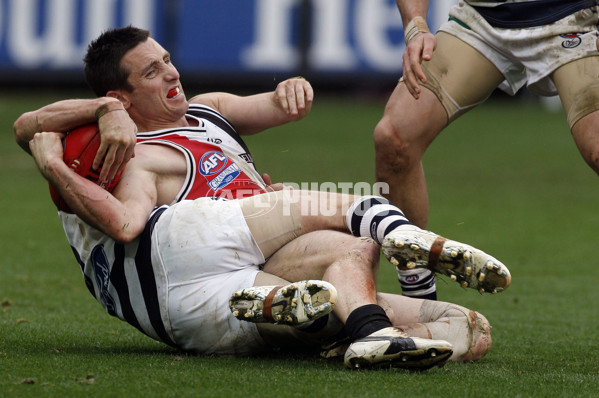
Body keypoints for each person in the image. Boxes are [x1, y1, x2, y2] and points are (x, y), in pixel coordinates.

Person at [14, 26, 509, 370]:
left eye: (166, 60)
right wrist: (84, 130)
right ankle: (403, 236)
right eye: (151, 72)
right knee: (330, 205)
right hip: (203, 251)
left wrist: (290, 90)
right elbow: (34, 135)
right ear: (121, 99)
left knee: (456, 320)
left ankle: (355, 330)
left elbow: (273, 106)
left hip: (249, 262)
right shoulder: (138, 156)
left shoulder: (207, 112)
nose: (170, 73)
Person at [373, 0, 599, 300]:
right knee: (394, 138)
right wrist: (416, 26)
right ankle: (419, 300)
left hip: (572, 18)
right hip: (483, 19)